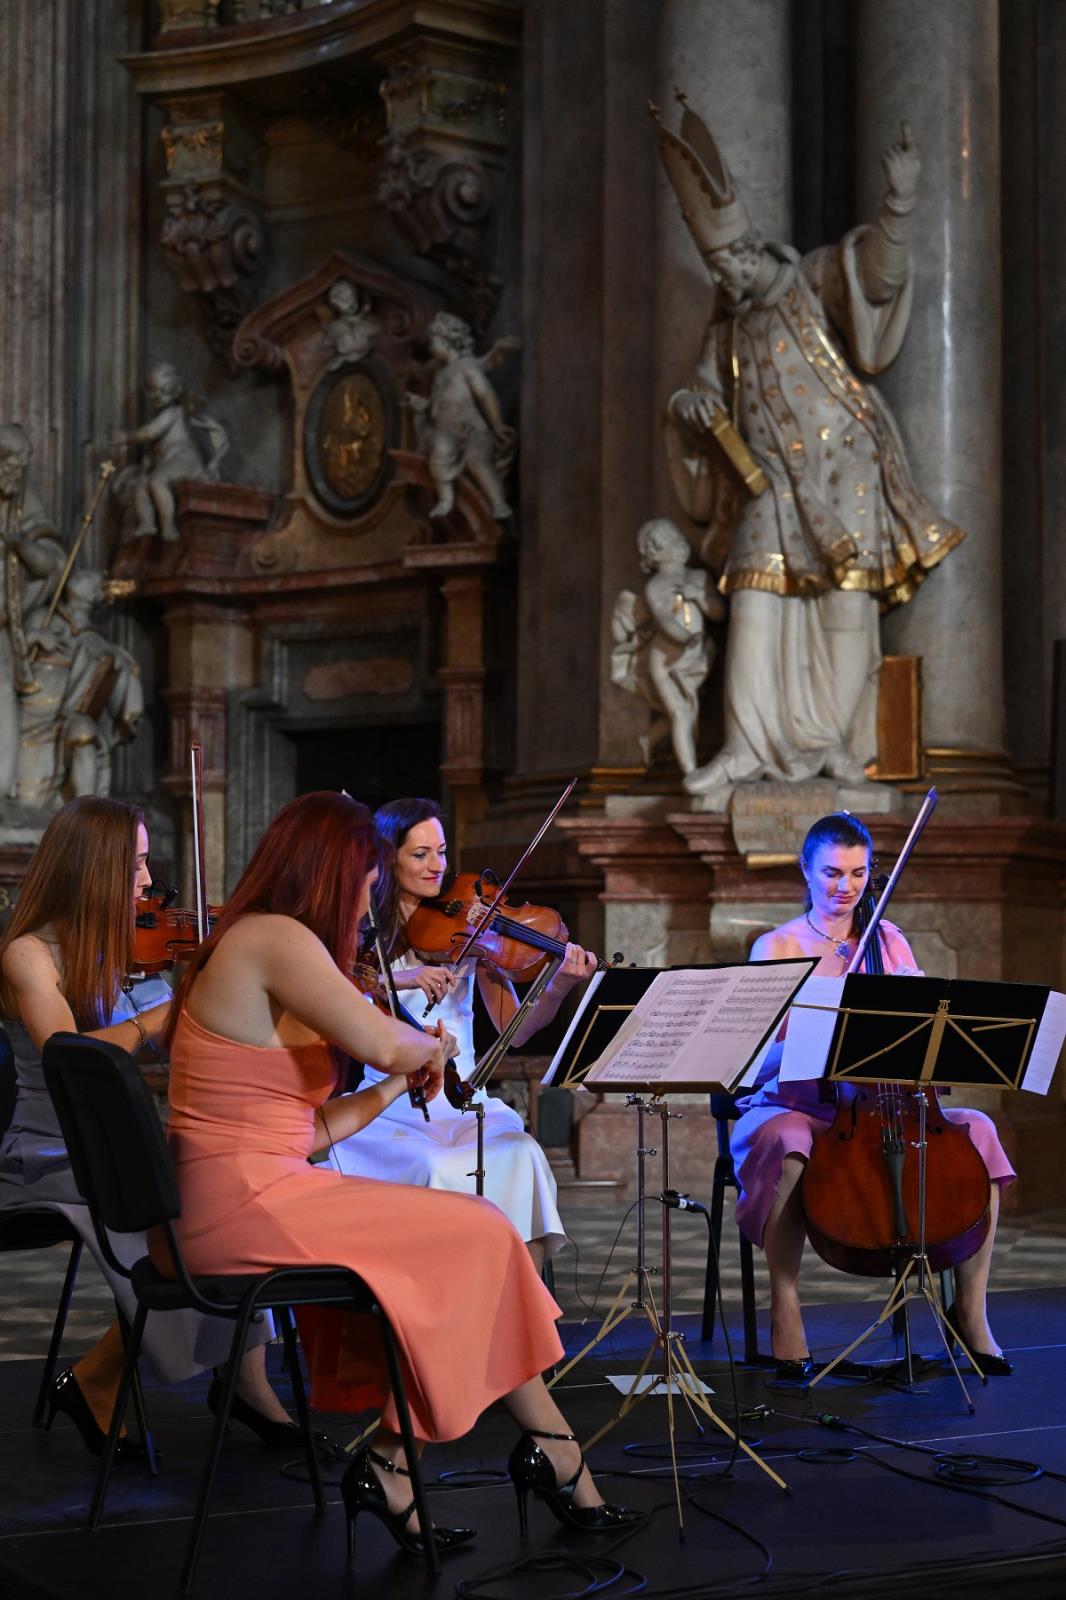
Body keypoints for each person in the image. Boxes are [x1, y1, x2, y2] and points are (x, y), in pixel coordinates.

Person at [164, 790, 638, 1554]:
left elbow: (309, 1128)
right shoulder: (275, 939)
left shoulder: (257, 939)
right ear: (331, 871)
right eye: (366, 879)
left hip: (254, 1186)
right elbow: (393, 1044)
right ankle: (410, 1457)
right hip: (243, 1204)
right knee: (481, 1234)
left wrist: (393, 1086)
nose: (369, 899)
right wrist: (426, 1054)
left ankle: (540, 1455)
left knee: (480, 1239)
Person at [652, 98, 967, 808]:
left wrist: (900, 200)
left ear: (749, 250)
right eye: (715, 271)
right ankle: (743, 750)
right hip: (767, 490)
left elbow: (878, 281)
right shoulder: (729, 327)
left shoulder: (813, 278)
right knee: (754, 603)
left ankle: (843, 748)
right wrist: (691, 408)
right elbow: (694, 393)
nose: (724, 283)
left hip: (844, 472)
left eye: (727, 267)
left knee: (844, 611)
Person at [0, 796, 289, 1461]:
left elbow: (183, 1046)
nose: (147, 879)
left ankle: (247, 1380)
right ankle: (101, 1378)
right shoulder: (28, 954)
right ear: (93, 867)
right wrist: (156, 1018)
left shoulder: (133, 948)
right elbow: (68, 1056)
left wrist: (230, 998)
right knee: (178, 1216)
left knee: (236, 1193)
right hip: (51, 1153)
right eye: (133, 864)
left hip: (125, 1147)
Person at [732, 811, 1015, 1379]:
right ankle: (786, 1308)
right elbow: (749, 1061)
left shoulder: (888, 940)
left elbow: (923, 1036)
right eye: (833, 873)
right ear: (805, 871)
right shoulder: (777, 946)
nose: (846, 887)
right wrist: (809, 1038)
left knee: (979, 1129)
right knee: (787, 1138)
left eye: (859, 874)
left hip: (884, 1106)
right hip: (797, 1104)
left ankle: (971, 1311)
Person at [325, 797, 597, 1270]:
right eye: (421, 854)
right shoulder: (361, 935)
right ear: (388, 857)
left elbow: (517, 1031)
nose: (438, 867)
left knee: (522, 1155)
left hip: (465, 1099)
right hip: (391, 1106)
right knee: (435, 1168)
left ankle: (515, 1311)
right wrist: (401, 977)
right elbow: (338, 996)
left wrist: (558, 986)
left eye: (443, 852)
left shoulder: (468, 933)